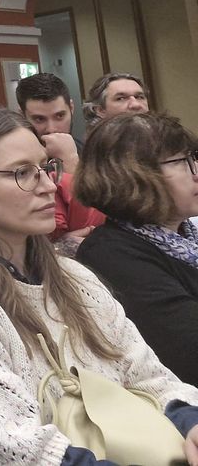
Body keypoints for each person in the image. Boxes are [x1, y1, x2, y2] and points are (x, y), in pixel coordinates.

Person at [0, 104, 198, 465]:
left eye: (45, 168)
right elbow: (13, 449)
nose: (50, 186)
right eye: (23, 173)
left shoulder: (72, 277)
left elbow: (149, 376)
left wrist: (191, 423)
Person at [74, 113, 198, 386]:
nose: (196, 172)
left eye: (194, 157)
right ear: (132, 175)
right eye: (181, 161)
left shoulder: (187, 237)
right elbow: (189, 352)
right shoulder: (111, 254)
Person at [15, 72, 103, 253]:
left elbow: (102, 216)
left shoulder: (95, 153)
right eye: (39, 119)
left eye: (59, 116)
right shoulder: (14, 162)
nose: (52, 128)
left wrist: (70, 161)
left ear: (71, 108)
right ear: (22, 115)